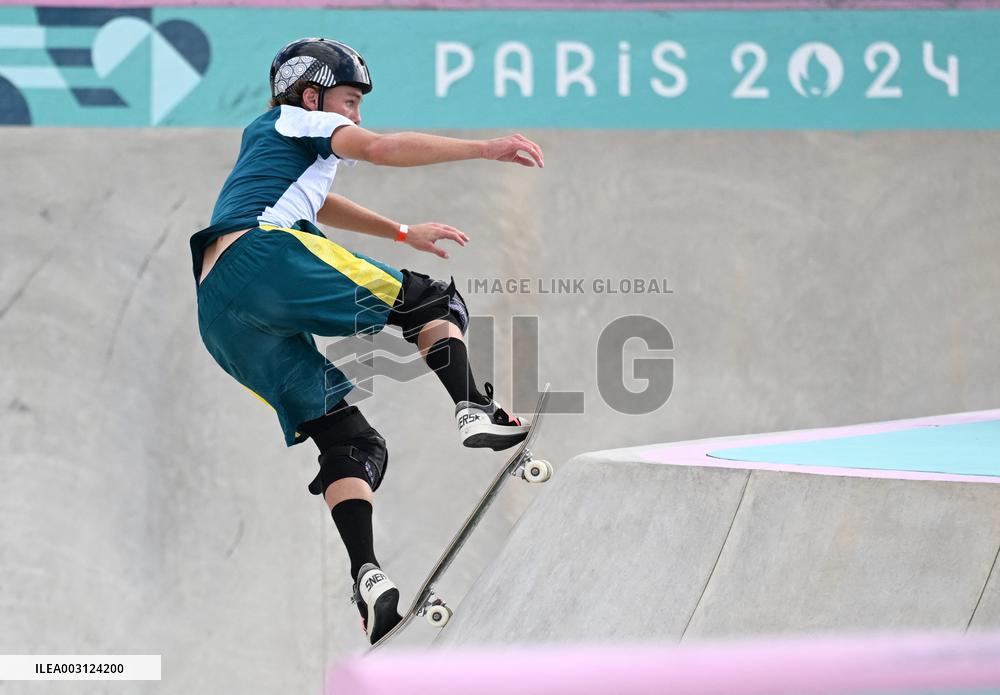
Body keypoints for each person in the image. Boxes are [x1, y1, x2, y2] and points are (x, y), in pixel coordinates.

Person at [190, 37, 545, 644]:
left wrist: (402, 231)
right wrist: (485, 148)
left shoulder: (273, 145)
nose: (354, 118)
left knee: (351, 442)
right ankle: (472, 407)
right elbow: (379, 148)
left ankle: (367, 577)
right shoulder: (300, 118)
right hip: (263, 256)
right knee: (434, 302)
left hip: (220, 312)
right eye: (349, 102)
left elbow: (319, 203)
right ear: (312, 93)